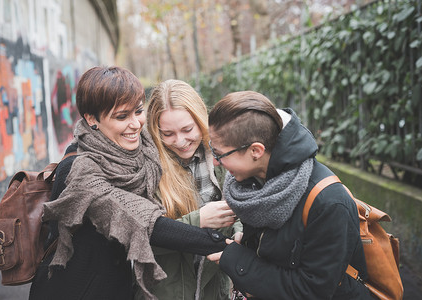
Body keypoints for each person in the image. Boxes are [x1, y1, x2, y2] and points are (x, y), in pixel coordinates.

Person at [28, 66, 229, 300]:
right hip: (75, 288)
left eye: (138, 111)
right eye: (122, 117)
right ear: (92, 119)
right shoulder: (79, 169)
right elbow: (141, 221)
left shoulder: (141, 151)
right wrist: (222, 243)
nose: (135, 124)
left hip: (120, 287)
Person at [206, 91, 371, 299]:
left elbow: (312, 291)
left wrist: (240, 262)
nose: (214, 162)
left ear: (256, 151)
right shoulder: (256, 184)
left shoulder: (329, 203)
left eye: (220, 154)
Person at [140, 79, 242, 299]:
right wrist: (199, 220)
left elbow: (240, 206)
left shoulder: (221, 156)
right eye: (167, 134)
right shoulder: (146, 167)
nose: (180, 141)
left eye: (188, 129)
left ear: (200, 120)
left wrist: (239, 232)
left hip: (215, 287)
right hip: (167, 291)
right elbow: (141, 237)